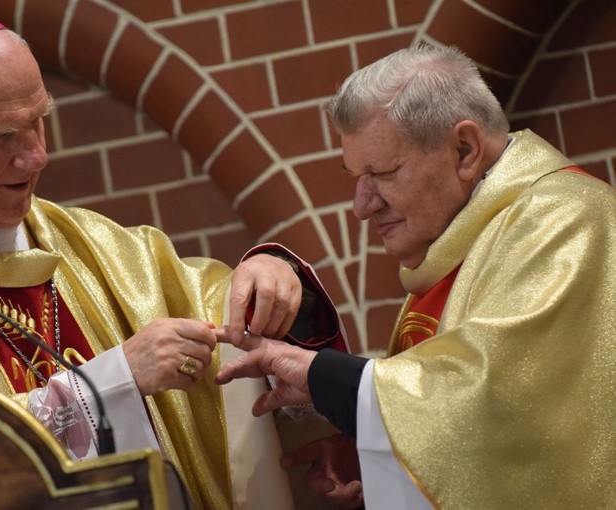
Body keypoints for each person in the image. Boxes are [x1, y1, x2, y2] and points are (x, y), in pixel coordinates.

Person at [0, 8, 341, 509]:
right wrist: (112, 382)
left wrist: (269, 279)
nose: (36, 155)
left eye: (40, 121)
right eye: (2, 136)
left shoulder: (82, 238)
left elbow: (216, 308)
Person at [215, 44, 616, 509]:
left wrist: (326, 378)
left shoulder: (564, 221)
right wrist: (382, 453)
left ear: (464, 151)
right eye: (354, 177)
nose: (362, 206)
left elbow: (502, 405)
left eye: (383, 174)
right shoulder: (465, 244)